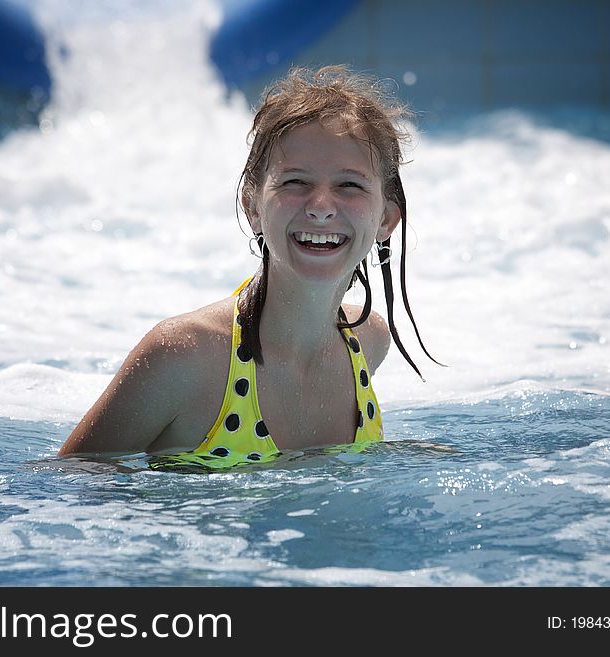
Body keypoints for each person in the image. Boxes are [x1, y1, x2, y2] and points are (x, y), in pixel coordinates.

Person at [59, 65, 439, 469]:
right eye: (295, 182)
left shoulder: (367, 341)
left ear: (386, 220)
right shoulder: (185, 356)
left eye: (350, 185)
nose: (321, 207)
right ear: (253, 206)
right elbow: (67, 483)